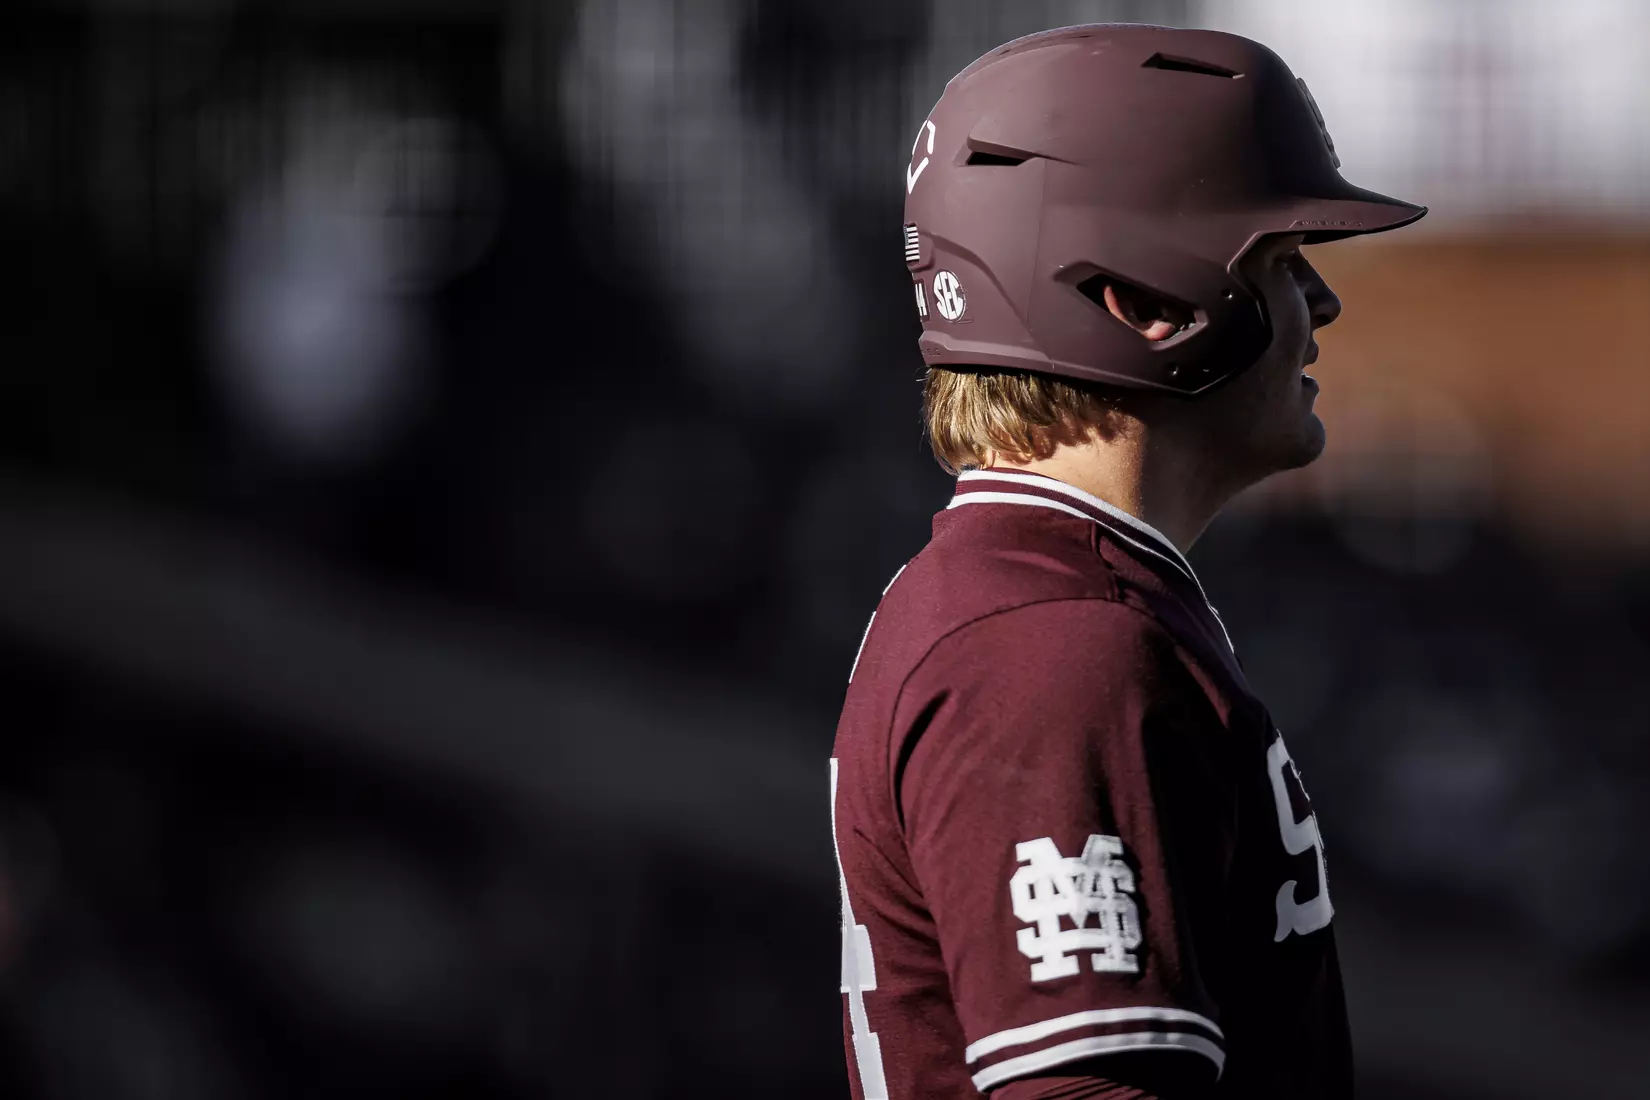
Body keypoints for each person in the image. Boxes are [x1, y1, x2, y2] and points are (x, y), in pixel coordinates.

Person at [830, 24, 1425, 1100]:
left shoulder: (1035, 597)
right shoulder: (1054, 649)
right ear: (1143, 299)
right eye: (1284, 261)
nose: (1323, 305)